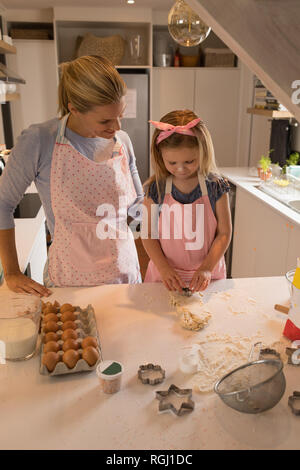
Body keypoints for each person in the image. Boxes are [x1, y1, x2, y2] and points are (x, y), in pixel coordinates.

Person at [0, 55, 143, 296]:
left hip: (124, 278)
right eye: (106, 120)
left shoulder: (123, 142)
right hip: (69, 283)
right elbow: (3, 203)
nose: (117, 126)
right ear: (74, 109)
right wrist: (12, 271)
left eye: (121, 114)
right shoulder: (40, 140)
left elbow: (139, 206)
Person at [142, 109, 232, 293]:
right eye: (172, 163)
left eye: (190, 161)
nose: (181, 169)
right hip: (166, 276)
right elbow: (148, 234)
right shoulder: (156, 189)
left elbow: (224, 233)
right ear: (160, 157)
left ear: (203, 152)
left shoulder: (216, 187)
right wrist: (164, 268)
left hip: (207, 275)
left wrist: (206, 267)